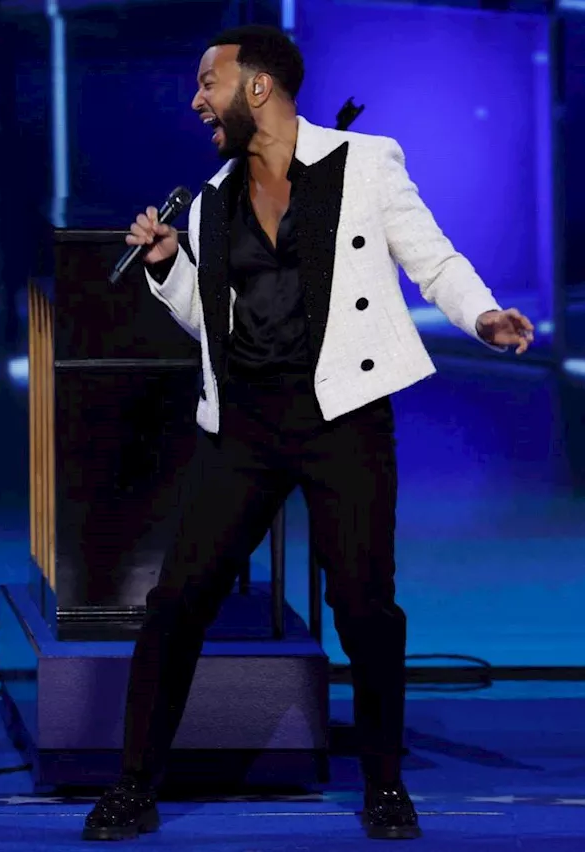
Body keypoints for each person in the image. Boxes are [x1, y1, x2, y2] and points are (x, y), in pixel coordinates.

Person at [83, 25, 534, 842]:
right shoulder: (214, 195)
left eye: (208, 83)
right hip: (244, 424)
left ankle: (385, 787)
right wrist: (165, 267)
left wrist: (484, 315)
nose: (196, 101)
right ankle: (132, 785)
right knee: (177, 601)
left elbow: (431, 258)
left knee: (364, 605)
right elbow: (208, 323)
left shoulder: (366, 164)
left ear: (257, 87)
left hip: (343, 415)